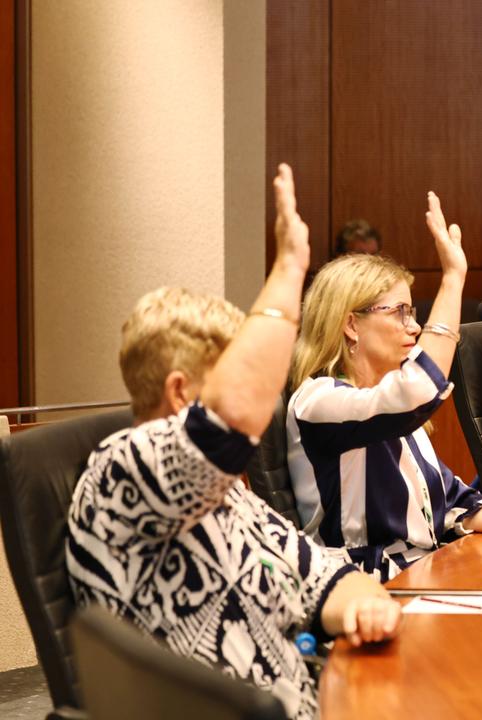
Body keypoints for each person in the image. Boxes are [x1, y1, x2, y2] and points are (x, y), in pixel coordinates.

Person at [67, 165, 400, 720]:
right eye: (235, 373)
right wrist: (290, 271)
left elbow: (322, 576)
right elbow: (230, 418)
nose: (263, 395)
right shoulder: (122, 467)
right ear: (180, 393)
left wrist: (363, 605)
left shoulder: (229, 493)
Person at [288, 192, 482, 581]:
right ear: (351, 325)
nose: (414, 326)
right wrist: (453, 278)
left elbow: (453, 503)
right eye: (399, 312)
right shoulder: (319, 401)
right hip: (364, 589)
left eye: (414, 312)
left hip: (428, 570)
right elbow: (415, 393)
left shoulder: (393, 406)